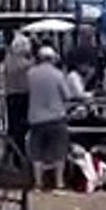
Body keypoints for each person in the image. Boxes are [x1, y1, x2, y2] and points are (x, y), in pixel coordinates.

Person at [26, 46, 73, 191]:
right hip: (56, 117)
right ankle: (59, 183)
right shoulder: (58, 74)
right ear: (53, 59)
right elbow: (67, 95)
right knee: (59, 152)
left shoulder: (30, 74)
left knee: (37, 153)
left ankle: (38, 183)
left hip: (35, 118)